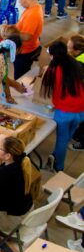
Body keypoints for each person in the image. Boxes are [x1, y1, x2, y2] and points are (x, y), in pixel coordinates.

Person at [41, 42, 84, 172]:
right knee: (65, 139)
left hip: (65, 112)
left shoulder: (53, 70)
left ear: (53, 56)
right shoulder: (74, 63)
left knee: (61, 140)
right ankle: (55, 156)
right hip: (81, 110)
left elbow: (48, 90)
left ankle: (58, 167)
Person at [14, 0, 44, 79]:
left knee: (20, 78)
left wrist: (10, 33)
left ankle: (20, 91)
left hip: (25, 52)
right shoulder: (32, 8)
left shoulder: (33, 14)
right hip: (26, 49)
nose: (20, 2)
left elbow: (27, 36)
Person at [67, 35, 84, 151]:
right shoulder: (80, 56)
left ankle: (82, 143)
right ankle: (78, 134)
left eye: (69, 48)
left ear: (77, 50)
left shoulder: (79, 63)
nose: (67, 50)